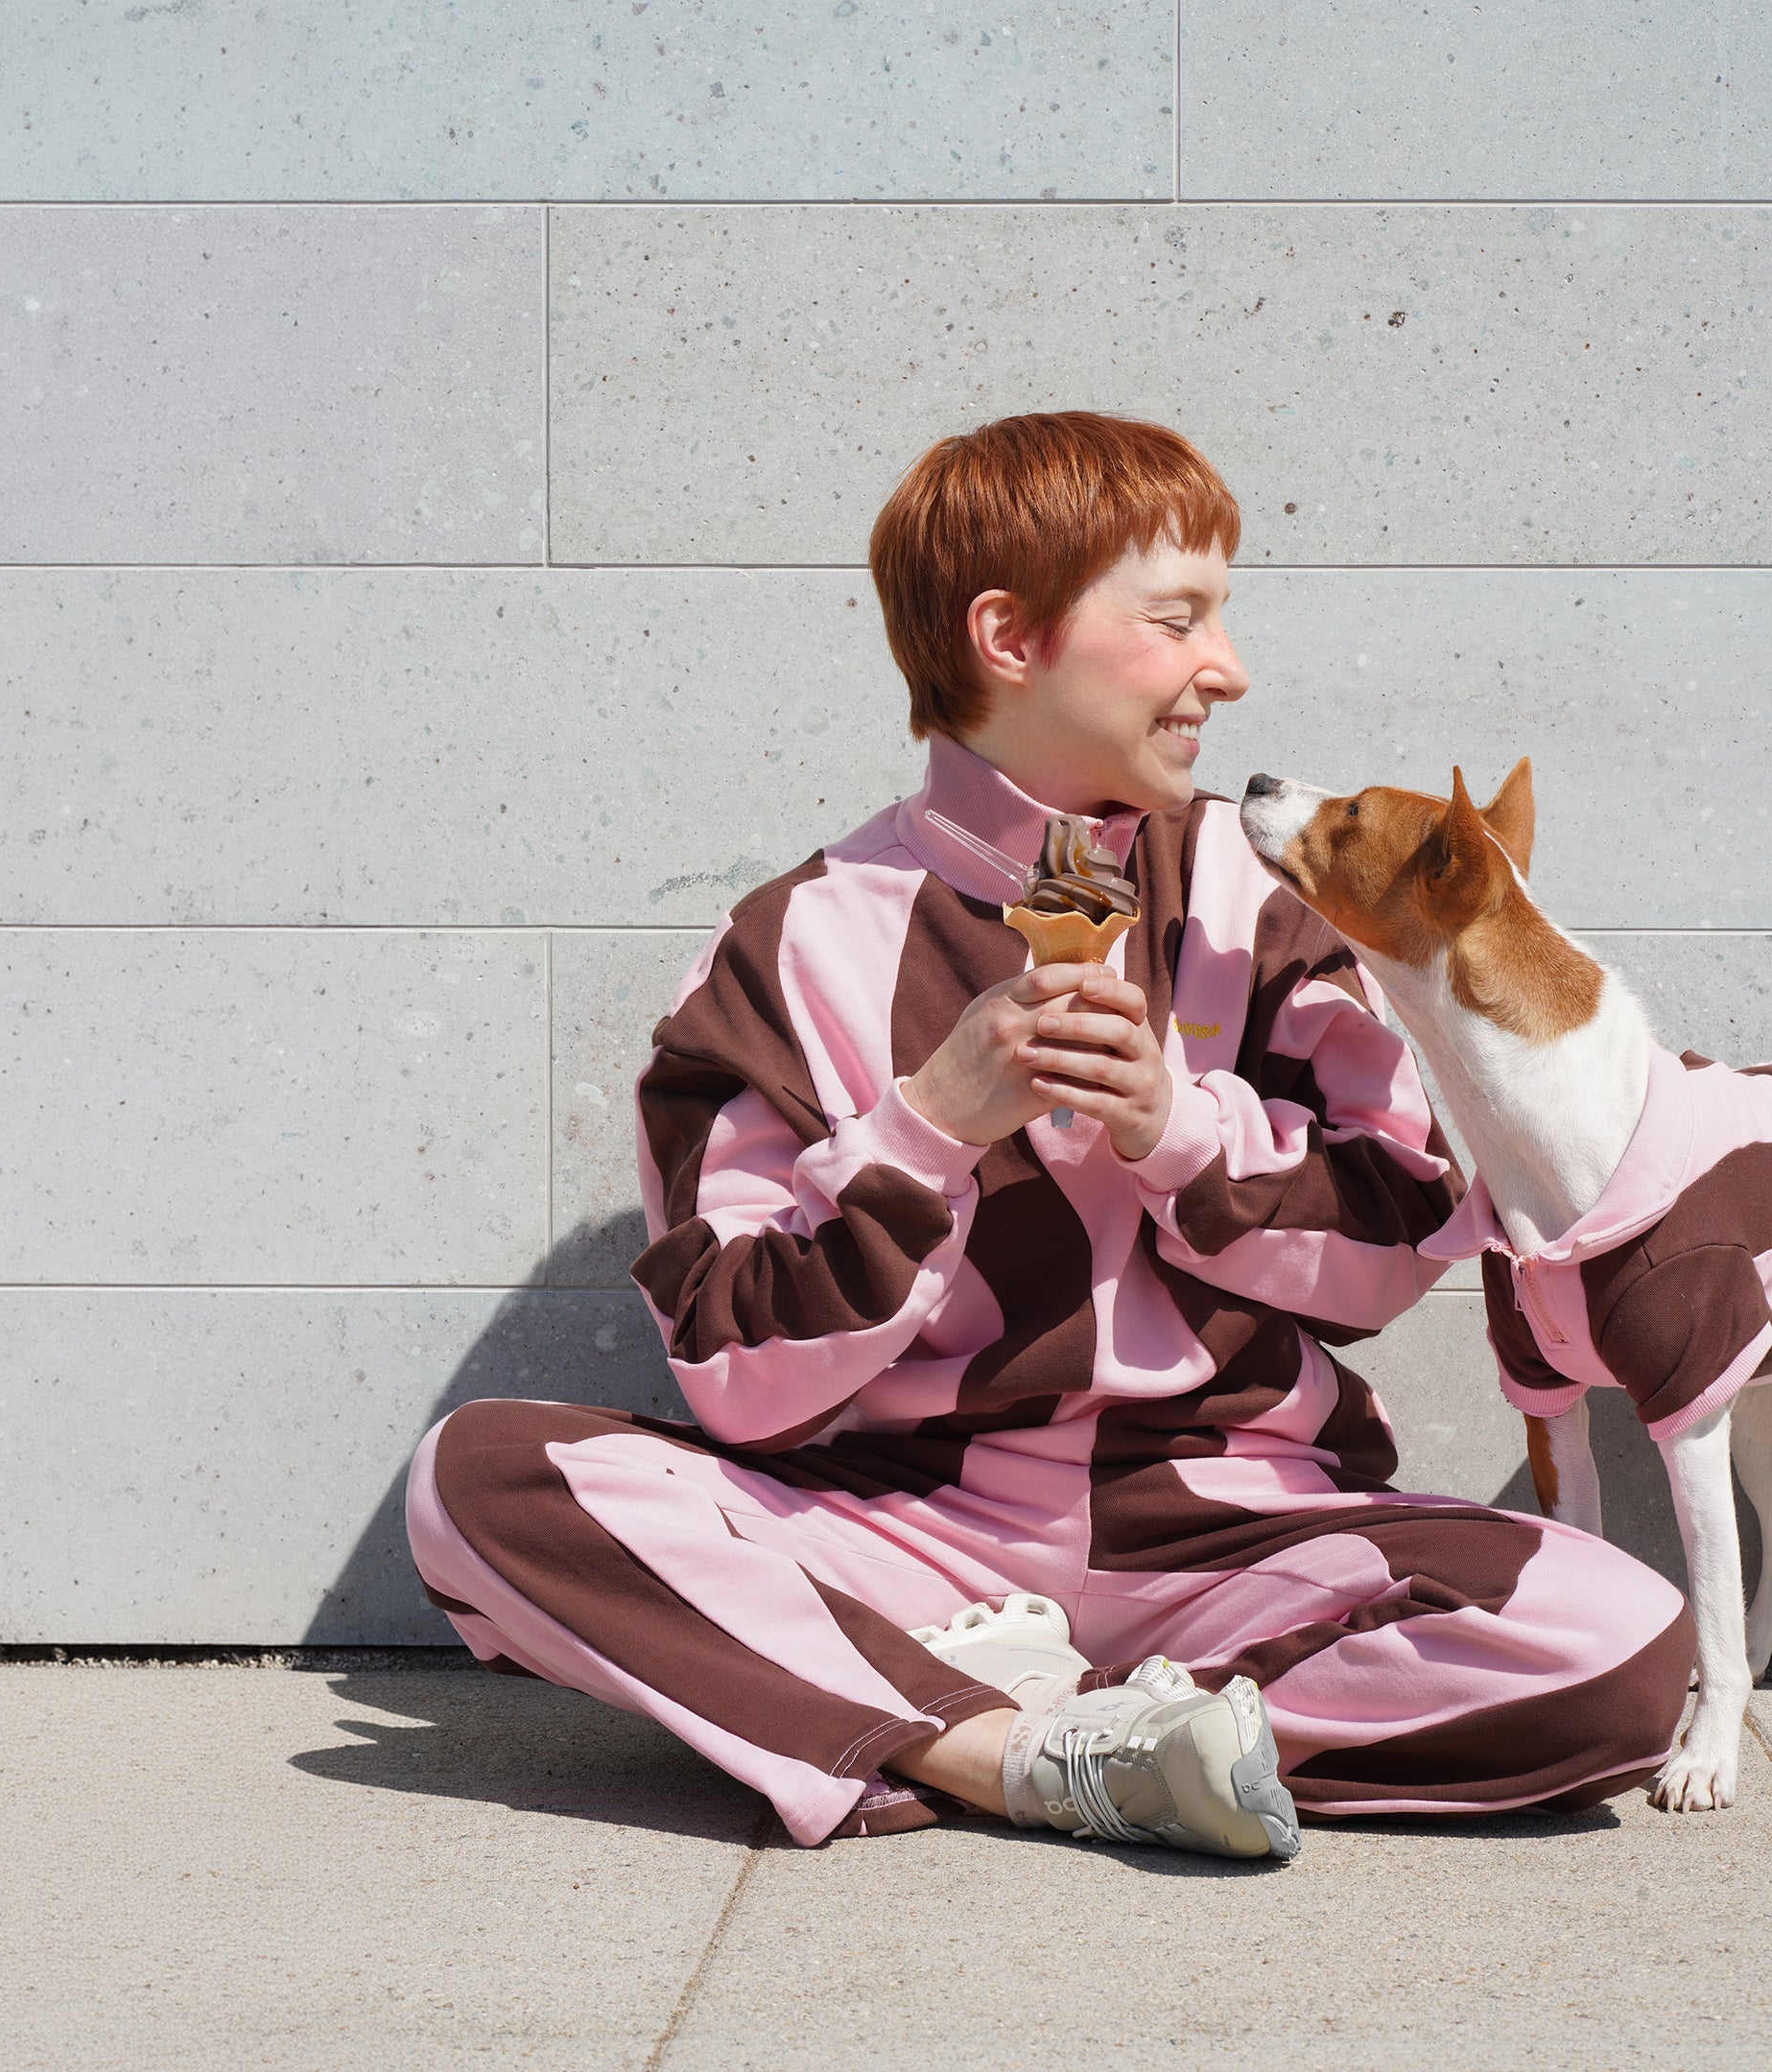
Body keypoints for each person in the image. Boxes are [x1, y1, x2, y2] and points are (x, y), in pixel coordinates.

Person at [407, 412, 1690, 1857]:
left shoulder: (1259, 896)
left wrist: (1178, 1129)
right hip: (896, 1533)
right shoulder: (786, 948)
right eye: (1181, 616)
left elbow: (1403, 1227)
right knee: (482, 1483)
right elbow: (734, 1380)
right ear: (1011, 637)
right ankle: (1022, 1752)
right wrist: (926, 1124)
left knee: (1625, 1644)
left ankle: (990, 1727)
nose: (1234, 666)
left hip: (1229, 1526)